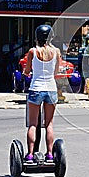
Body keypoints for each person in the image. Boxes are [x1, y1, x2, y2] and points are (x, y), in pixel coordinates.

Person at [23, 24, 61, 163]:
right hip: (51, 89)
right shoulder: (56, 52)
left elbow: (27, 70)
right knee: (49, 124)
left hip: (36, 89)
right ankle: (50, 154)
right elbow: (56, 72)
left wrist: (26, 74)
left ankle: (30, 155)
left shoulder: (33, 51)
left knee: (33, 124)